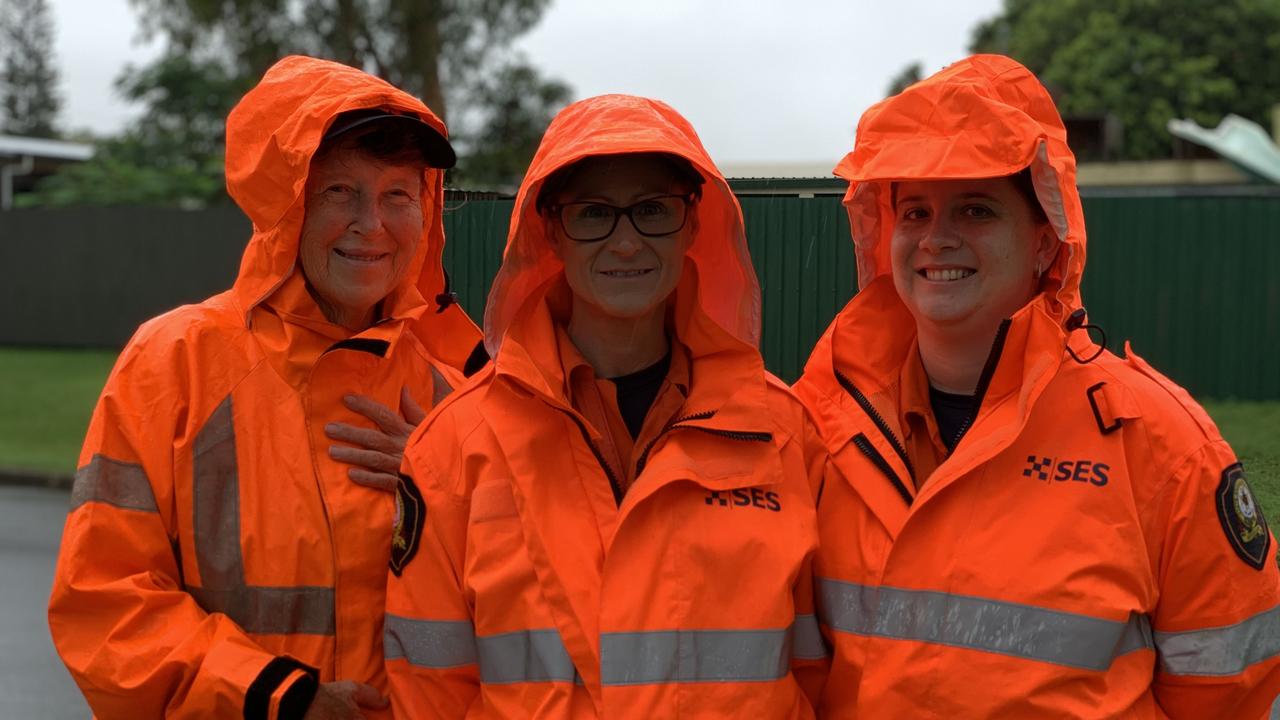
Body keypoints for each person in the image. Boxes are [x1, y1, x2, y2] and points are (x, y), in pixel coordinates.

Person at [793, 54, 1280, 718]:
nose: (937, 239)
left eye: (975, 210)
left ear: (1046, 240)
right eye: (914, 212)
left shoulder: (1161, 442)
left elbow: (1235, 693)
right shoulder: (816, 426)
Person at [48, 55, 481, 720]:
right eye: (340, 191)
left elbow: (533, 615)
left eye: (399, 194)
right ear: (285, 205)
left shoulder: (456, 397)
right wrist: (280, 697)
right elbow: (104, 604)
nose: (374, 224)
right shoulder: (173, 363)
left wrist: (453, 492)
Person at [382, 94, 830, 718]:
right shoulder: (454, 447)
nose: (626, 243)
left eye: (652, 210)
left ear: (694, 223)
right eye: (595, 214)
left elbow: (817, 676)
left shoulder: (783, 435)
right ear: (552, 231)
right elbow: (428, 693)